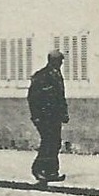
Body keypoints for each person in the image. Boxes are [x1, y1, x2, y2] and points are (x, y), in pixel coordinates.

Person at [26, 49, 68, 184]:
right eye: (59, 61)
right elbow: (32, 98)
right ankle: (38, 169)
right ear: (52, 60)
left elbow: (61, 96)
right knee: (48, 141)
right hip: (44, 116)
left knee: (55, 142)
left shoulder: (57, 75)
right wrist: (36, 116)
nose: (61, 63)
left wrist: (64, 113)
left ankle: (52, 171)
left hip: (55, 116)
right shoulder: (41, 76)